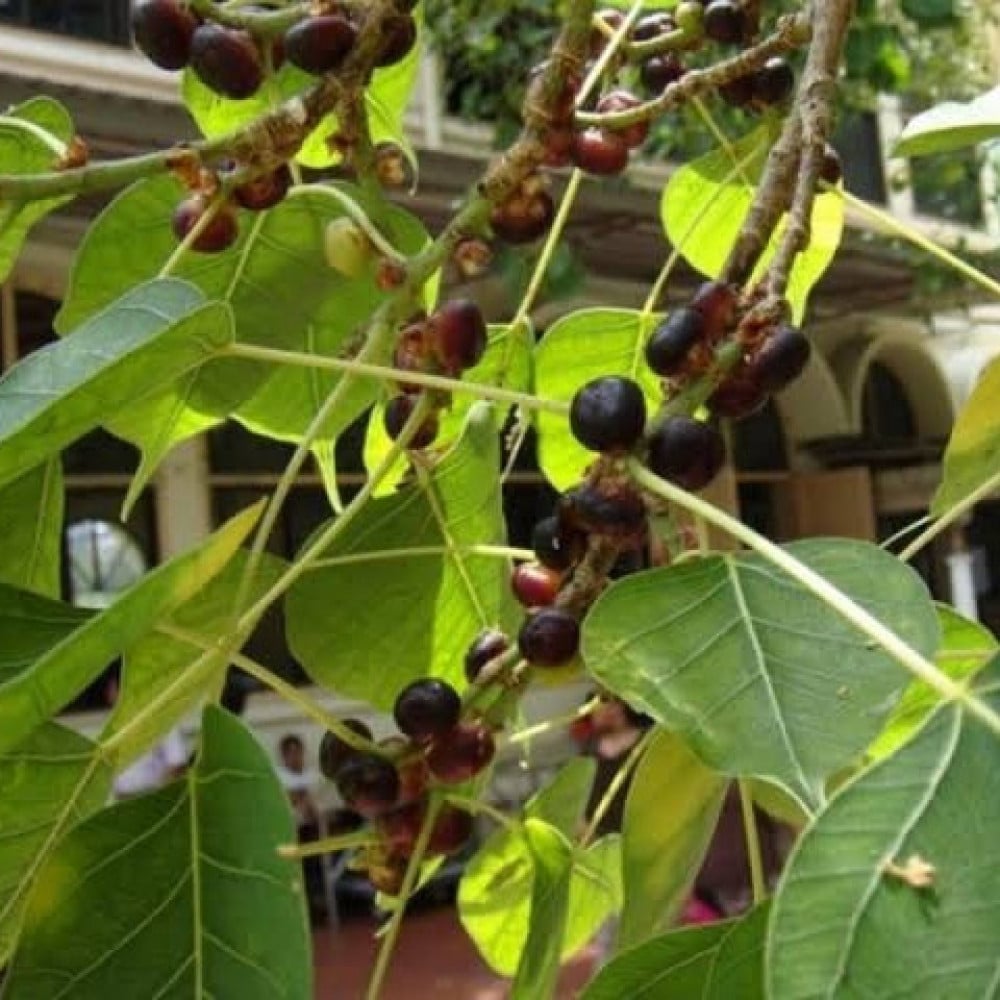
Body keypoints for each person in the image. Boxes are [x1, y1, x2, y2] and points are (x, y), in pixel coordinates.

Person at [105, 672, 188, 799]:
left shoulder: (160, 720)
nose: (110, 694)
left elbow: (177, 764)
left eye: (113, 689)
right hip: (123, 799)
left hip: (151, 796)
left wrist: (161, 797)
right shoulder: (114, 729)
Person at [275, 734, 328, 924]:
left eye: (297, 753)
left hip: (313, 830)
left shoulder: (313, 776)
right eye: (290, 754)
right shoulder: (278, 777)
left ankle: (318, 902)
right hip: (290, 832)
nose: (295, 758)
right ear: (283, 755)